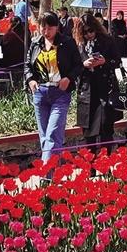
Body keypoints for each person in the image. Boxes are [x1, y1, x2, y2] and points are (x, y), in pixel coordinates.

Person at [24, 12, 83, 163]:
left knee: (53, 134)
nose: (46, 32)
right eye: (43, 28)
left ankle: (46, 172)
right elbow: (27, 65)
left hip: (60, 93)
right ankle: (52, 171)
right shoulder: (35, 43)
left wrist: (68, 78)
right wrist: (30, 79)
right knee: (44, 136)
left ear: (57, 27)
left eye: (50, 28)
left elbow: (78, 65)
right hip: (40, 92)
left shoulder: (67, 43)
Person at [74, 13, 122, 153]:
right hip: (87, 89)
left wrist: (104, 62)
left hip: (105, 88)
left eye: (91, 31)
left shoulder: (107, 41)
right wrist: (84, 64)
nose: (89, 34)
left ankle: (106, 160)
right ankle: (90, 161)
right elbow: (72, 67)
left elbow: (117, 61)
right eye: (85, 32)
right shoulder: (78, 45)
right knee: (88, 129)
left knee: (106, 125)